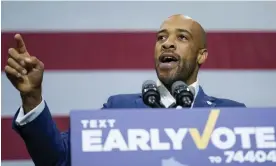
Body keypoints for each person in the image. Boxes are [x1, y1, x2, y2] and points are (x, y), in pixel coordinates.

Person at [5, 15, 246, 166]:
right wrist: (31, 96)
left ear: (201, 55)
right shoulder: (117, 109)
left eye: (182, 37)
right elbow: (58, 159)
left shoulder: (232, 116)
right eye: (161, 37)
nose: (167, 43)